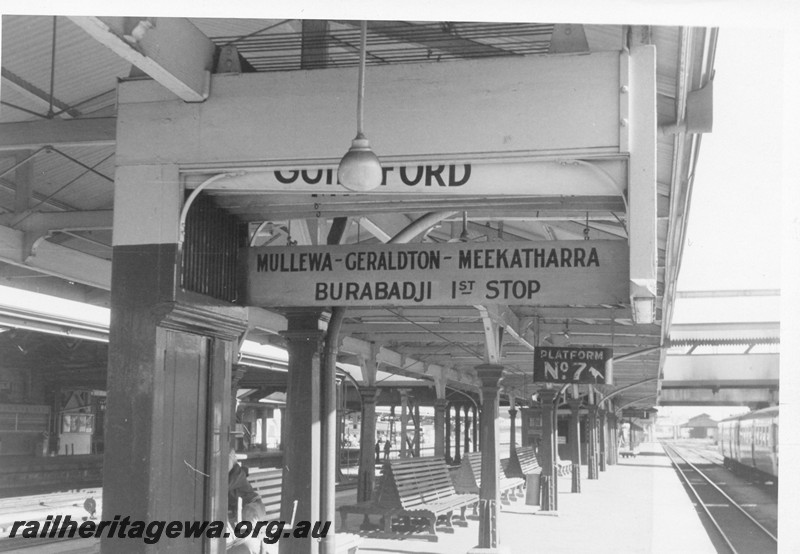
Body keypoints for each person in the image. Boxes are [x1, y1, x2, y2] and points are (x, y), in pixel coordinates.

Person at [227, 449, 268, 554]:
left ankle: (263, 546)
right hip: (245, 510)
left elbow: (221, 488)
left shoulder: (237, 475)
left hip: (254, 506)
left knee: (250, 514)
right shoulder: (230, 475)